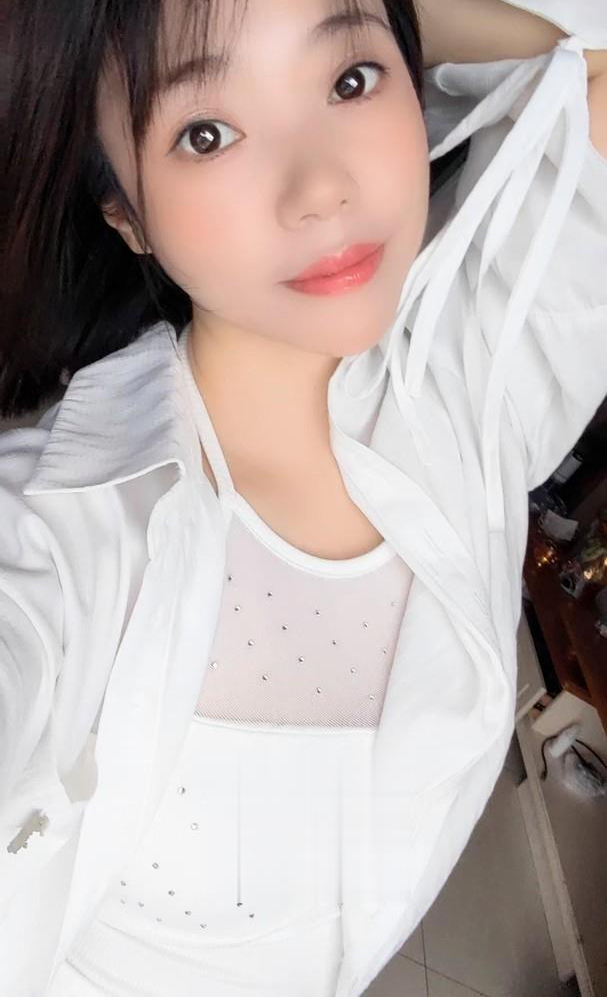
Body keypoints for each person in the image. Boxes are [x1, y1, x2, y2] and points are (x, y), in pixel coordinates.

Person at [1, 1, 606, 994]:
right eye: (207, 133)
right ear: (126, 215)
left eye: (350, 80)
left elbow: (593, 85)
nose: (321, 187)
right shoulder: (60, 532)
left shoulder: (466, 389)